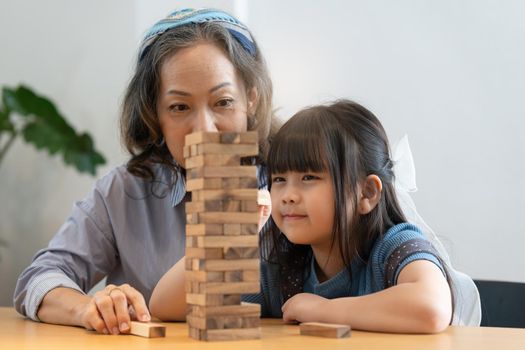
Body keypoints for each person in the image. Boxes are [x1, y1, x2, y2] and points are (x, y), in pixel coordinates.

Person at [13, 8, 277, 335]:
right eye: (179, 107)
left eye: (222, 101)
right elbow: (38, 278)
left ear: (250, 98)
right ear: (155, 115)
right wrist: (88, 308)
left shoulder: (295, 184)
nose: (205, 129)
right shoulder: (125, 192)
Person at [244, 100, 460, 333]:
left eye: (308, 177)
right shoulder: (282, 269)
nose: (287, 196)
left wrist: (322, 310)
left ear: (367, 193)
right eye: (279, 179)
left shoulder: (393, 248)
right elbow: (212, 308)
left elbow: (430, 307)